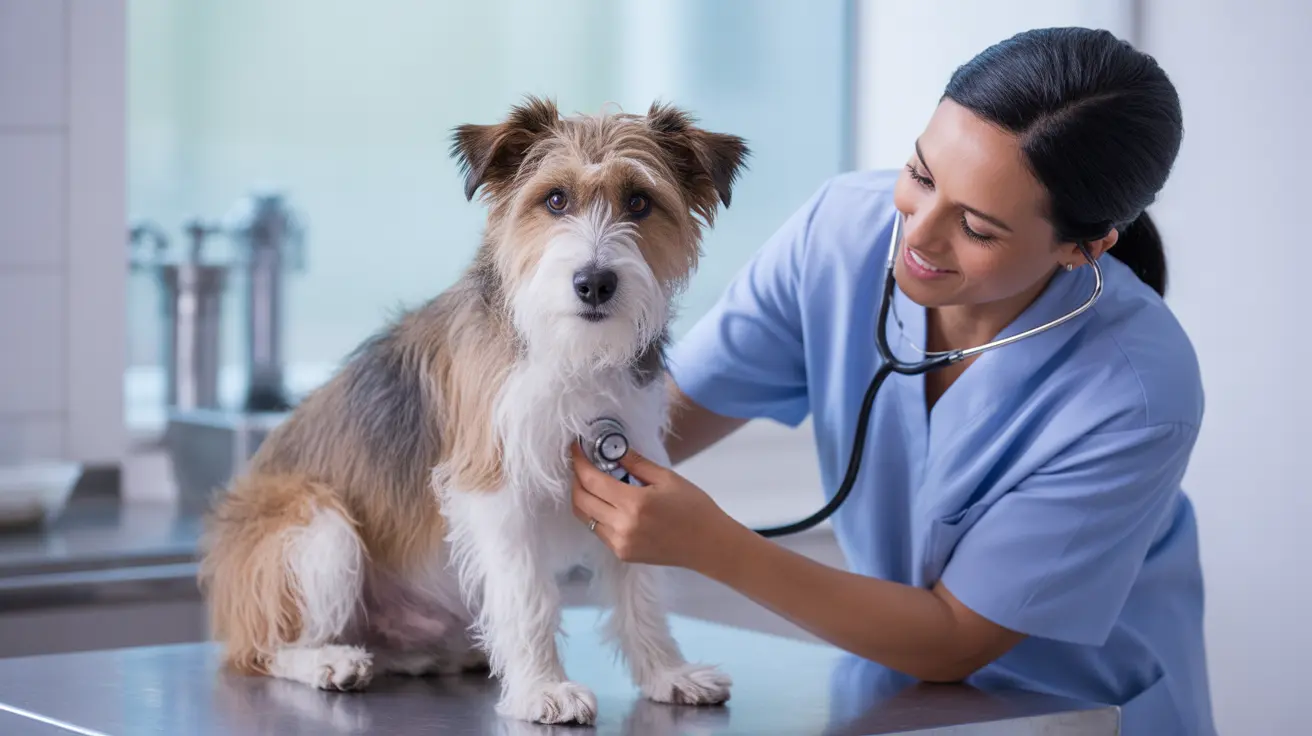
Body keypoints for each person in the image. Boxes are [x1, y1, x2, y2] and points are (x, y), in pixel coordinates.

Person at [569, 26, 1215, 736]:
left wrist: (714, 545)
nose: (917, 236)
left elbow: (955, 640)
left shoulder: (1138, 391)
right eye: (922, 174)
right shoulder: (839, 233)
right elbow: (660, 419)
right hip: (895, 695)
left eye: (975, 226)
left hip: (1076, 711)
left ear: (1082, 246)